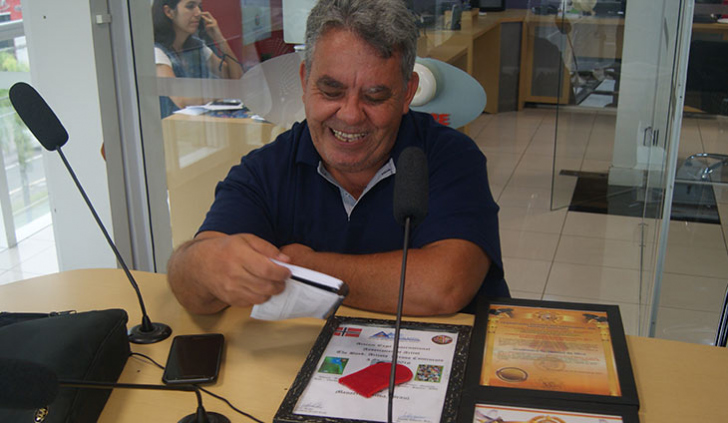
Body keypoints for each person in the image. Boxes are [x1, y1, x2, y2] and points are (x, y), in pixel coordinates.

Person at [167, 0, 508, 316]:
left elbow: (442, 287)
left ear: (407, 93)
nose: (349, 115)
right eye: (331, 91)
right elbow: (191, 285)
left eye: (375, 96)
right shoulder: (265, 171)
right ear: (304, 82)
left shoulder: (451, 157)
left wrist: (306, 266)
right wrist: (206, 266)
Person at [152, 0, 243, 117]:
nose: (198, 13)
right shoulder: (157, 51)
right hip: (173, 127)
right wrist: (224, 90)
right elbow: (181, 99)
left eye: (199, 6)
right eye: (190, 7)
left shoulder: (197, 46)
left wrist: (220, 39)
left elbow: (235, 79)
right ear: (169, 11)